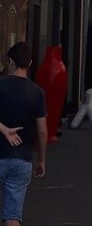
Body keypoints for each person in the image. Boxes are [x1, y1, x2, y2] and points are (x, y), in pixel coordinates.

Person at [0, 41, 47, 226]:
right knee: (12, 215)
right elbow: (42, 131)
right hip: (22, 159)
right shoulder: (37, 93)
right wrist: (42, 160)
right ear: (30, 63)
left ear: (10, 61)